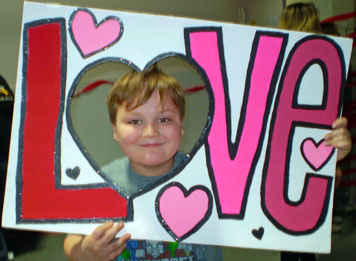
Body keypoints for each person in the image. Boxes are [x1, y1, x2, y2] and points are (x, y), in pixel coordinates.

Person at [63, 66, 223, 261]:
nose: (150, 132)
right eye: (135, 121)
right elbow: (72, 239)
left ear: (181, 125)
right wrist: (85, 253)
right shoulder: (101, 181)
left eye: (164, 119)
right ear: (115, 130)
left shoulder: (209, 176)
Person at [279, 1, 352, 260]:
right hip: (292, 172)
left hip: (303, 169)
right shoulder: (324, 67)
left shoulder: (325, 68)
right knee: (296, 241)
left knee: (298, 241)